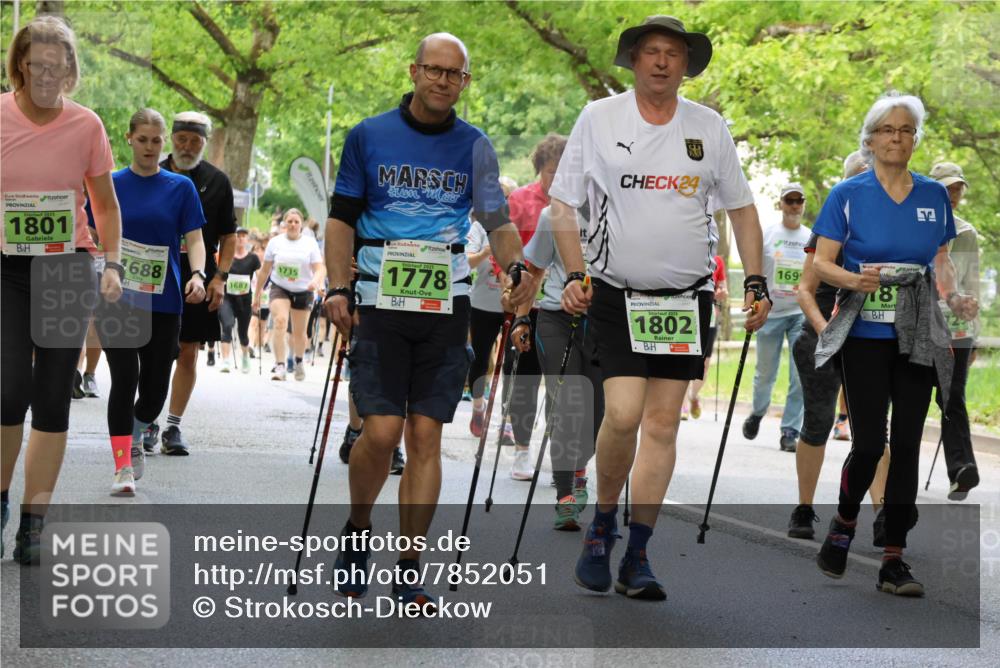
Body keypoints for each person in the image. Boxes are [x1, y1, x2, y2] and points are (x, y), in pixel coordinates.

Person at [551, 15, 771, 600]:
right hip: (618, 293)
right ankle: (601, 525)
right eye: (651, 51)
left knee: (663, 424)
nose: (662, 61)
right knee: (622, 415)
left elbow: (743, 210)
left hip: (685, 298)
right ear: (634, 59)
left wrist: (756, 281)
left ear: (686, 64)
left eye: (673, 53)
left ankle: (639, 553)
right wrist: (575, 272)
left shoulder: (709, 127)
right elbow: (562, 206)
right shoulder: (600, 119)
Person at [323, 32, 534, 611]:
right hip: (381, 300)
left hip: (447, 304)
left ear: (464, 82)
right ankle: (359, 528)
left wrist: (516, 267)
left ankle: (410, 563)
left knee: (425, 435)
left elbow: (496, 221)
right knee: (383, 431)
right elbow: (341, 218)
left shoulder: (476, 146)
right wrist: (337, 286)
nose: (443, 81)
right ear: (415, 71)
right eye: (434, 70)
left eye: (455, 74)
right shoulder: (369, 135)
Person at [812, 92, 976, 596]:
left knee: (906, 443)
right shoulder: (848, 194)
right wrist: (855, 280)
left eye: (906, 130)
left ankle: (894, 558)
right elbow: (821, 263)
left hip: (918, 328)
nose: (896, 138)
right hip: (864, 331)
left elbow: (940, 260)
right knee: (869, 445)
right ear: (871, 138)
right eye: (887, 129)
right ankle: (842, 525)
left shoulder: (931, 196)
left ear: (914, 139)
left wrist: (955, 297)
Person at [1, 16, 123, 562]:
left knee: (53, 396)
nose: (47, 74)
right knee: (7, 391)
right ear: (20, 64)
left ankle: (34, 520)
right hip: (6, 266)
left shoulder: (87, 126)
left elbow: (105, 206)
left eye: (58, 66)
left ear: (70, 69)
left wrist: (113, 263)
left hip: (66, 267)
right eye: (37, 64)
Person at [94, 108, 207, 495]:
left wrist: (197, 274)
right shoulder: (110, 184)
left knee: (156, 387)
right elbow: (92, 232)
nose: (149, 147)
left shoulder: (180, 187)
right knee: (124, 378)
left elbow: (194, 238)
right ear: (128, 138)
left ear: (165, 143)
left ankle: (142, 428)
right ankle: (122, 466)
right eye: (142, 139)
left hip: (164, 299)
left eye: (156, 141)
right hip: (118, 297)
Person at [788, 150, 888, 540]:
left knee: (875, 429)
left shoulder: (890, 227)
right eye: (861, 178)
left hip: (874, 335)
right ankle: (803, 508)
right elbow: (805, 289)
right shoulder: (830, 224)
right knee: (817, 422)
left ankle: (883, 516)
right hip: (822, 334)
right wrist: (823, 329)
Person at [151, 111, 237, 455]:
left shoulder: (217, 181)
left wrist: (220, 277)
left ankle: (172, 427)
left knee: (188, 352)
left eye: (195, 140)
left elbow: (229, 236)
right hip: (155, 273)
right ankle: (147, 419)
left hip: (198, 274)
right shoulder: (152, 171)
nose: (187, 146)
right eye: (181, 139)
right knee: (153, 353)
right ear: (171, 138)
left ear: (205, 142)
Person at [514, 201, 603, 530]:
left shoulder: (624, 208)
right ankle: (565, 494)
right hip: (555, 318)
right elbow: (535, 271)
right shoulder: (553, 214)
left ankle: (579, 469)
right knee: (567, 403)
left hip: (603, 324)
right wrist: (522, 317)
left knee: (600, 414)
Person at [503, 134, 567, 479]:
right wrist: (507, 280)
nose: (556, 179)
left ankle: (561, 451)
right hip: (527, 300)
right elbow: (505, 247)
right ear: (539, 168)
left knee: (563, 384)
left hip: (562, 303)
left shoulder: (575, 205)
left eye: (562, 171)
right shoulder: (520, 200)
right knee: (525, 379)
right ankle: (522, 451)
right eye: (550, 172)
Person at [742, 184, 811, 452]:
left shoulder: (810, 237)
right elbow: (755, 272)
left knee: (799, 374)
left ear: (803, 204)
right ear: (781, 203)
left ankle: (790, 430)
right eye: (789, 200)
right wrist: (755, 301)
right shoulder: (768, 235)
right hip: (770, 312)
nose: (794, 205)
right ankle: (758, 412)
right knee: (766, 371)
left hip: (798, 313)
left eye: (798, 201)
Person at [929, 161, 980, 501]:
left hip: (957, 329)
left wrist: (974, 334)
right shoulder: (916, 225)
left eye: (957, 189)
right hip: (919, 325)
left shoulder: (967, 233)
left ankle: (962, 469)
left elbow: (972, 284)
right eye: (948, 189)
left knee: (952, 395)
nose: (954, 195)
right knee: (920, 395)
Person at [253, 208, 325, 381]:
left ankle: (299, 361)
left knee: (300, 333)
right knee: (280, 322)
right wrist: (256, 295)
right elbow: (264, 271)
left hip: (303, 290)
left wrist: (317, 282)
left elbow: (319, 268)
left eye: (296, 222)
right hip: (280, 288)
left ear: (301, 225)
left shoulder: (310, 243)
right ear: (284, 224)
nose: (293, 225)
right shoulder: (275, 242)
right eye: (289, 221)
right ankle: (280, 366)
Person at [685, 253, 727, 419]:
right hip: (685, 314)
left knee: (705, 363)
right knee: (684, 359)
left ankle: (693, 396)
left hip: (708, 316)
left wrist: (721, 294)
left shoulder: (717, 260)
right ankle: (683, 406)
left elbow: (723, 288)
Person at [219, 227, 260, 374]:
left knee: (243, 333)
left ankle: (244, 356)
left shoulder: (253, 259)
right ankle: (225, 360)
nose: (241, 238)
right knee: (227, 325)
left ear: (247, 240)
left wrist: (258, 297)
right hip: (227, 299)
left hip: (245, 300)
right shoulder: (226, 257)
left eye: (244, 236)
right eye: (238, 236)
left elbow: (260, 277)